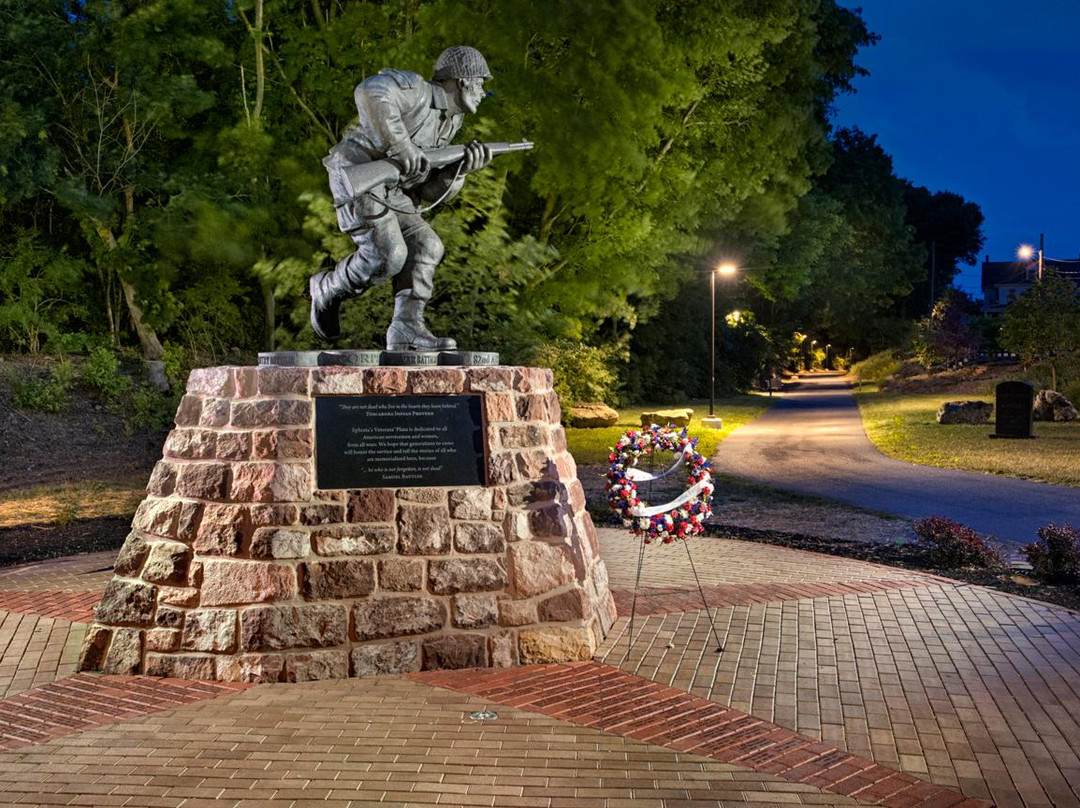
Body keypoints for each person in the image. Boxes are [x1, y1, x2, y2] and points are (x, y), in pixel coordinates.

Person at [310, 46, 494, 351]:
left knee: (427, 245)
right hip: (358, 172)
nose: (483, 92)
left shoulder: (451, 122)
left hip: (394, 191)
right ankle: (326, 288)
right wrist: (402, 147)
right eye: (481, 83)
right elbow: (369, 92)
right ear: (463, 81)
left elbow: (425, 191)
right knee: (389, 255)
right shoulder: (419, 92)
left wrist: (458, 172)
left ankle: (406, 329)